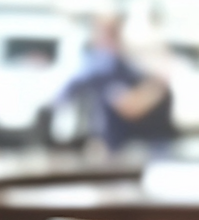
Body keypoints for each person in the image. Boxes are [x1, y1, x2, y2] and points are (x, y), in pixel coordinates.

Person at [55, 17, 175, 152]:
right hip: (123, 149)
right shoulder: (103, 66)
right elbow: (130, 106)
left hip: (144, 146)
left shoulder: (127, 66)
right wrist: (159, 85)